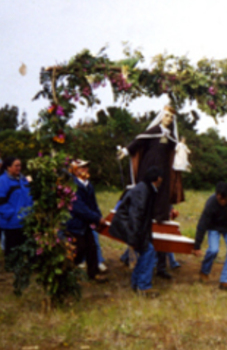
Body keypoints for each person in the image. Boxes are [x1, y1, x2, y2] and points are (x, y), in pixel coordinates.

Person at [117, 105, 184, 222]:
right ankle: (135, 212)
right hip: (149, 166)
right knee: (145, 189)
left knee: (161, 190)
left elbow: (175, 150)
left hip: (163, 168)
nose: (168, 119)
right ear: (162, 117)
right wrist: (126, 150)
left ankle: (158, 216)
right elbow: (139, 141)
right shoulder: (154, 131)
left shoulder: (171, 136)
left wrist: (181, 148)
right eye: (167, 116)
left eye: (171, 117)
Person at [109, 166, 163, 297]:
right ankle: (143, 286)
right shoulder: (143, 191)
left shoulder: (146, 189)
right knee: (148, 251)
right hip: (128, 227)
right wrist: (133, 239)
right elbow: (136, 217)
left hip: (132, 227)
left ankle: (137, 283)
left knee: (147, 250)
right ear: (157, 179)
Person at [66, 160, 108, 283]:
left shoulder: (88, 185)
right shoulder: (71, 186)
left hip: (87, 223)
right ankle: (69, 272)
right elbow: (79, 208)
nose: (85, 170)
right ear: (75, 169)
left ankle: (93, 273)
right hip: (74, 222)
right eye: (81, 167)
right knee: (79, 248)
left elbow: (93, 204)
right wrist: (96, 218)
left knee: (92, 247)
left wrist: (98, 217)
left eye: (86, 167)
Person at [0, 157, 33, 272]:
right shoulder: (3, 181)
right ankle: (11, 266)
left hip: (26, 219)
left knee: (27, 243)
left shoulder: (23, 179)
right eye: (16, 165)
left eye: (20, 165)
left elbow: (29, 197)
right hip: (12, 221)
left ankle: (29, 265)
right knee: (12, 245)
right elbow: (1, 201)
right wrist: (11, 214)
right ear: (8, 167)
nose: (19, 168)